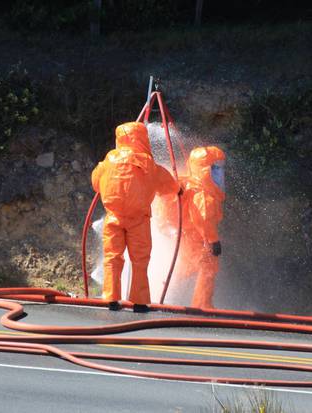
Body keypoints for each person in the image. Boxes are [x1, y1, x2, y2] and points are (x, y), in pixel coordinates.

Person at [91, 121, 179, 312]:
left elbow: (95, 182)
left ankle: (111, 298)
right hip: (138, 221)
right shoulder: (148, 164)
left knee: (112, 258)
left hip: (113, 218)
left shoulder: (108, 160)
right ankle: (139, 302)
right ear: (142, 138)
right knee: (139, 261)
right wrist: (179, 190)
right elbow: (168, 186)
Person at [155, 146, 226, 308]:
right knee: (209, 264)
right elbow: (203, 218)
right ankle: (202, 305)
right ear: (204, 170)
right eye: (215, 169)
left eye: (220, 169)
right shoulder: (203, 194)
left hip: (185, 233)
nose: (219, 174)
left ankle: (163, 287)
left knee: (188, 263)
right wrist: (213, 241)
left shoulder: (189, 184)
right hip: (194, 234)